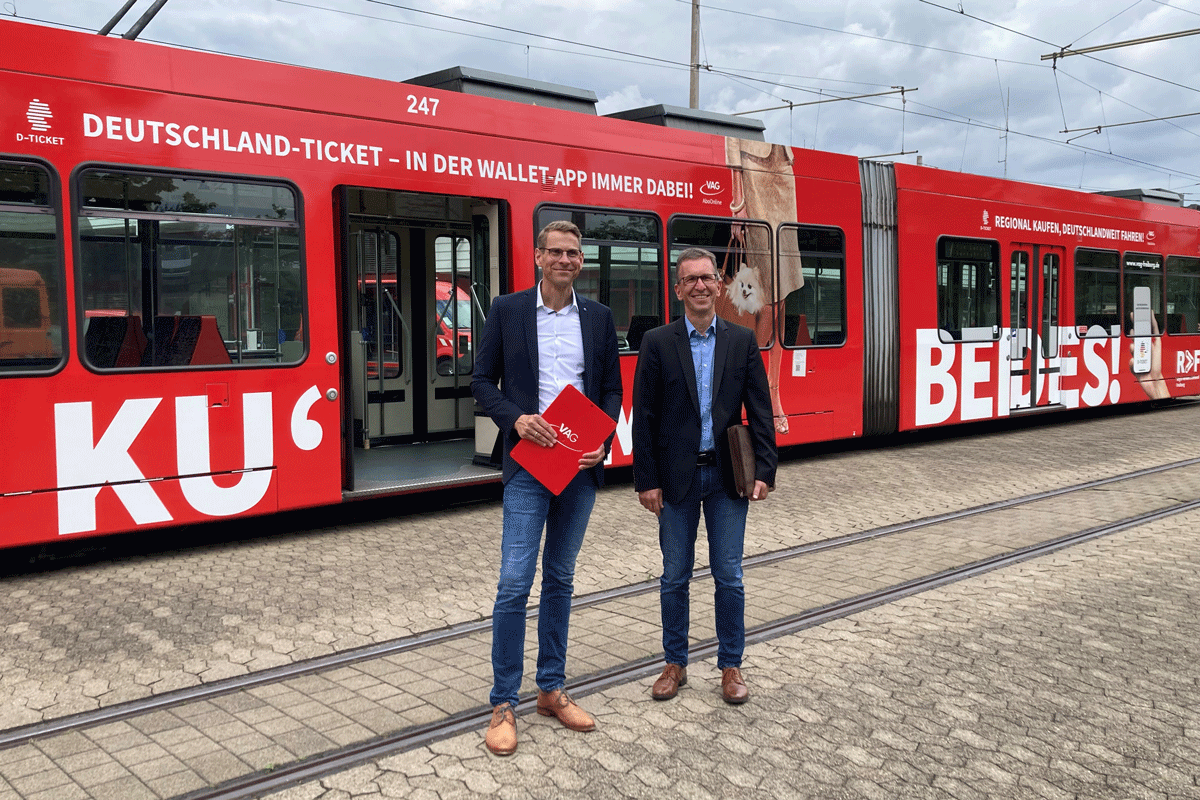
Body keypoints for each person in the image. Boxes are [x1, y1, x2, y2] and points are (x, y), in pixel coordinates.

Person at [471, 220, 622, 755]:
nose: (564, 259)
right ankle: (502, 701)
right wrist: (516, 419)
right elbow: (481, 381)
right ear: (537, 256)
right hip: (529, 463)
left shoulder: (599, 318)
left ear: (581, 261)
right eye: (554, 251)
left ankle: (551, 688)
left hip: (579, 467)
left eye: (573, 253)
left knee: (560, 578)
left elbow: (609, 391)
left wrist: (602, 442)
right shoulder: (509, 310)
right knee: (515, 582)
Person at [632, 247, 777, 705]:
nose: (699, 285)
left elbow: (759, 409)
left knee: (729, 575)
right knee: (674, 575)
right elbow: (645, 417)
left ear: (719, 285)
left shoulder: (741, 340)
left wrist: (766, 470)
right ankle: (674, 662)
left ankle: (730, 665)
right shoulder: (657, 342)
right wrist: (645, 479)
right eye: (690, 279)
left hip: (726, 477)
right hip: (675, 480)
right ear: (678, 289)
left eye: (707, 278)